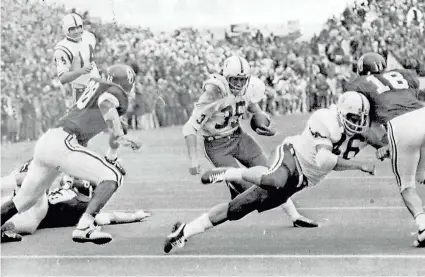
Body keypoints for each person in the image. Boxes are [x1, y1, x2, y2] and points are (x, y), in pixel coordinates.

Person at [164, 91, 383, 253]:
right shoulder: (326, 119)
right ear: (342, 112)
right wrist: (359, 165)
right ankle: (230, 174)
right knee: (274, 179)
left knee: (239, 208)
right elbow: (324, 160)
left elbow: (382, 140)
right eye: (352, 118)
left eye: (360, 118)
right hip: (292, 156)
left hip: (303, 179)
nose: (357, 123)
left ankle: (183, 232)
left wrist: (385, 148)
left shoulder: (364, 129)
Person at [0, 64, 141, 245]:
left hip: (48, 142)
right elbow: (106, 102)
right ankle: (85, 227)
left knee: (25, 199)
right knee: (113, 176)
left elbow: (100, 117)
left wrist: (116, 138)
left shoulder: (98, 86)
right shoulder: (115, 93)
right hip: (63, 142)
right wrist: (120, 134)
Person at [182, 55, 317, 228]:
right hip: (217, 146)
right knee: (249, 191)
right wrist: (193, 159)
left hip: (239, 137)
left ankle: (295, 216)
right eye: (235, 79)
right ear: (226, 77)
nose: (238, 84)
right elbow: (189, 127)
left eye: (242, 79)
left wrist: (265, 123)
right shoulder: (215, 92)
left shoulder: (249, 88)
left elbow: (256, 110)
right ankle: (194, 226)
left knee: (273, 173)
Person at [344, 52, 425, 248]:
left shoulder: (358, 85)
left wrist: (382, 144)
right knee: (423, 174)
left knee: (407, 185)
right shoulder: (404, 74)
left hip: (401, 126)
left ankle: (423, 226)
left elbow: (366, 122)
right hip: (423, 114)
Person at [1, 162, 150, 243]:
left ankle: (6, 229)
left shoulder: (65, 191)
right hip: (33, 213)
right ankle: (6, 229)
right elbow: (110, 217)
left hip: (31, 209)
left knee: (24, 187)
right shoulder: (80, 203)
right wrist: (133, 216)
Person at [54, 13, 100, 103]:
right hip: (82, 91)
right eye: (72, 29)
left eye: (79, 27)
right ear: (66, 30)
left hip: (97, 85)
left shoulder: (89, 37)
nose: (76, 31)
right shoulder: (62, 49)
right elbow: (63, 78)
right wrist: (80, 71)